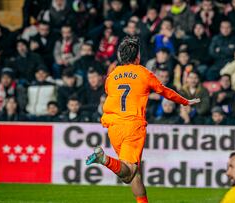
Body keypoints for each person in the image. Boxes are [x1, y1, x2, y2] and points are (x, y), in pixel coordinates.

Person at [85, 36, 200, 203]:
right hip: (132, 126)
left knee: (135, 175)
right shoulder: (144, 73)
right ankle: (103, 159)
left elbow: (111, 92)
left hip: (113, 127)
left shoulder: (112, 75)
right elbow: (164, 91)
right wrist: (185, 101)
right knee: (128, 173)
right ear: (137, 56)